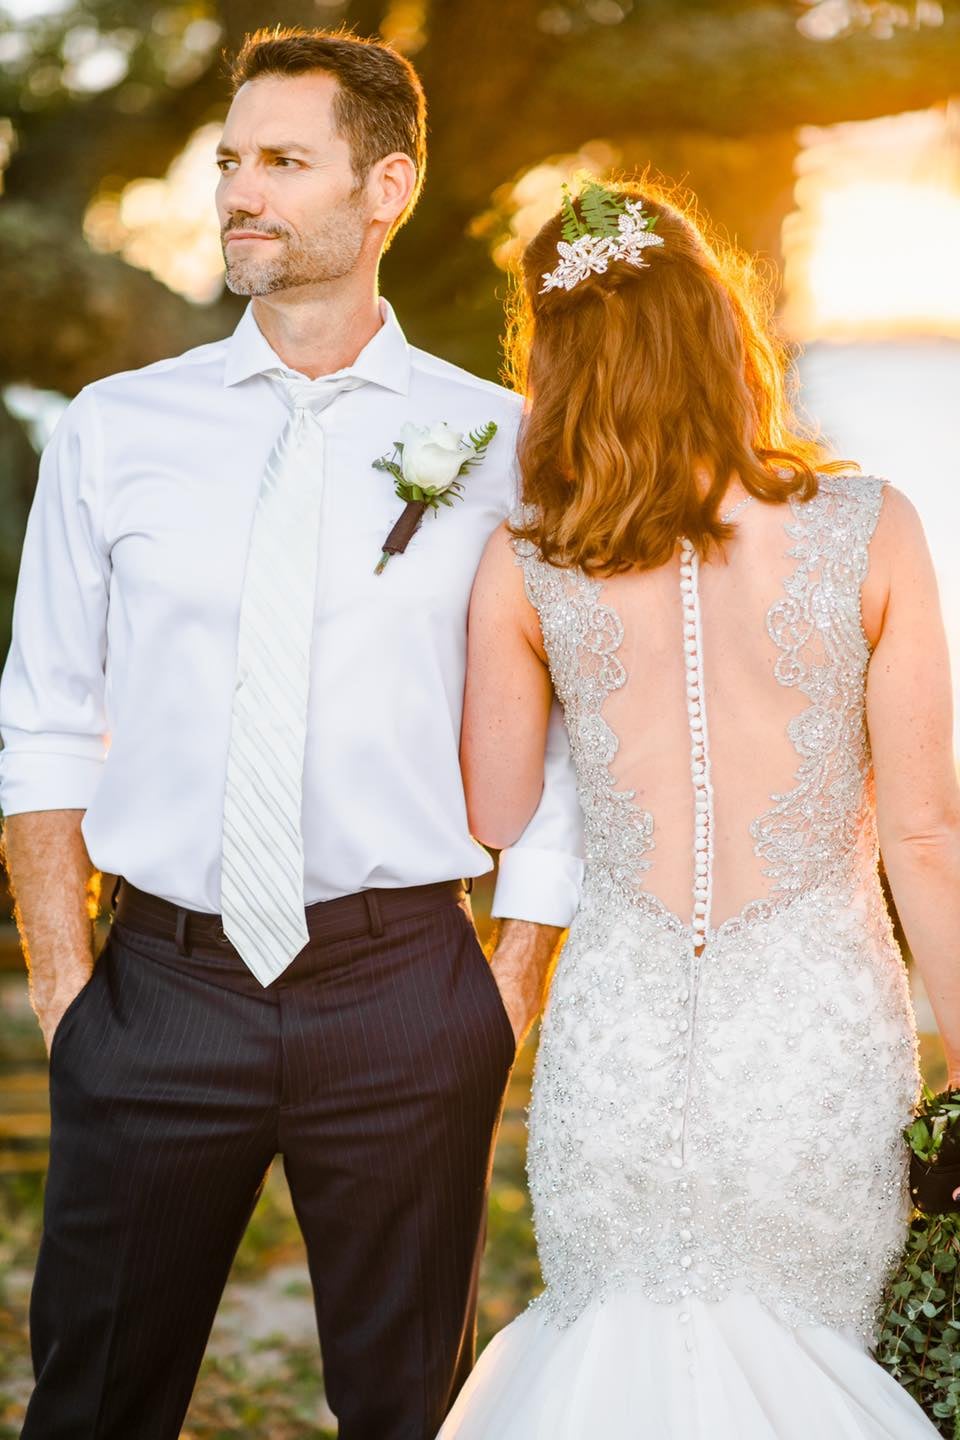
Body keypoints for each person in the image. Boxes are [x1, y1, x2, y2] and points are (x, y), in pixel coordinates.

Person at [0, 29, 584, 1440]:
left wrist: (504, 986)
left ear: (387, 188)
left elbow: (570, 733)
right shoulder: (114, 429)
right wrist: (71, 994)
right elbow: (46, 716)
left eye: (281, 161)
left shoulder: (506, 443)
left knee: (406, 1409)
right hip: (157, 987)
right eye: (228, 162)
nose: (237, 194)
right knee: (91, 1400)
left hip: (405, 991)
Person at [441, 181, 960, 1437]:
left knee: (615, 1347)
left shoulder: (526, 561)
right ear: (725, 329)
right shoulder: (872, 528)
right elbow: (927, 836)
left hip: (619, 1043)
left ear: (557, 367)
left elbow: (498, 810)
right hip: (815, 1045)